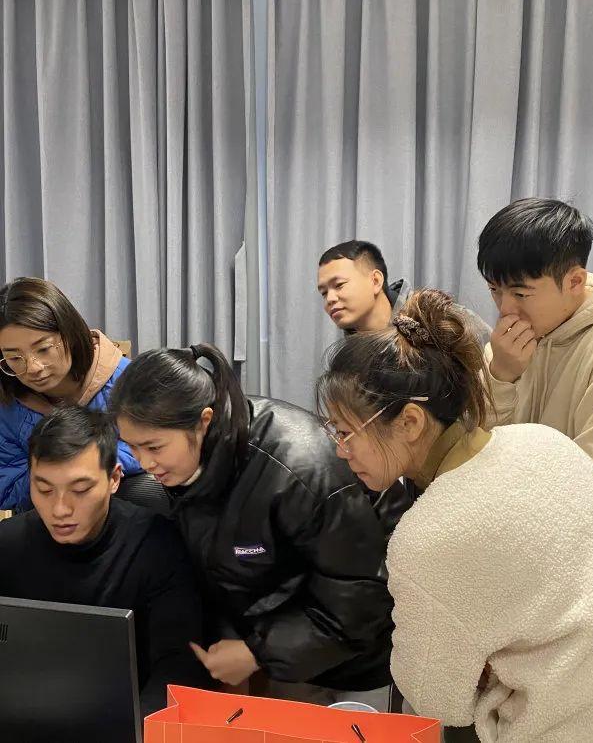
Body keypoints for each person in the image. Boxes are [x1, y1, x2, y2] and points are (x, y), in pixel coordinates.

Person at [316, 288, 593, 742]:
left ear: (410, 422)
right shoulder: (542, 441)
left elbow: (438, 701)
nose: (340, 450)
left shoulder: (430, 537)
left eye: (347, 432)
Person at [109, 342, 395, 709]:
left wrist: (257, 652)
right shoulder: (189, 466)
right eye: (132, 447)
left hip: (361, 657)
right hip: (288, 652)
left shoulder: (298, 469)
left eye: (154, 447)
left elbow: (361, 597)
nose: (145, 464)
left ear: (204, 421)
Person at [0, 405, 211, 716]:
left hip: (130, 716)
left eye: (80, 490)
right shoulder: (7, 544)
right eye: (44, 489)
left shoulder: (157, 544)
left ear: (114, 478)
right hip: (23, 714)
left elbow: (179, 666)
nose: (60, 509)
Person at [477, 198, 593, 471]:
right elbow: (470, 452)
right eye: (494, 290)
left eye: (520, 294)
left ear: (575, 282)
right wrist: (501, 376)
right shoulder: (504, 348)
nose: (504, 309)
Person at [0, 277, 141, 510]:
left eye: (43, 349)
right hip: (43, 519)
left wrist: (88, 464)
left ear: (70, 332)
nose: (33, 368)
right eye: (14, 358)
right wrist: (56, 472)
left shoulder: (129, 381)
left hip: (123, 512)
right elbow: (6, 488)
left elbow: (153, 448)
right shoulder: (7, 403)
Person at [317, 240, 490, 341]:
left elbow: (494, 369)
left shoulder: (438, 318)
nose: (329, 299)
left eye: (339, 285)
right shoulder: (348, 357)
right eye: (324, 293)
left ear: (375, 281)